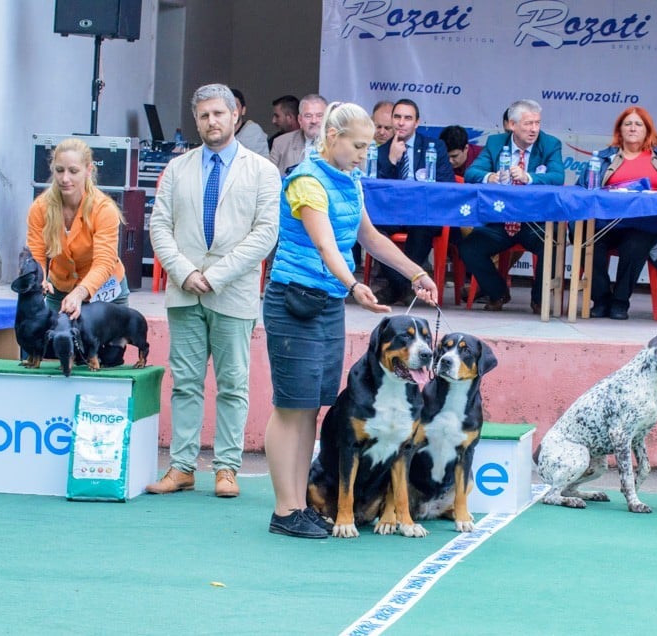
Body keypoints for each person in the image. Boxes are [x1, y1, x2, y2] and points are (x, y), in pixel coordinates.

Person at [262, 101, 438, 538]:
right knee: (290, 407)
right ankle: (286, 510)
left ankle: (301, 504)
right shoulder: (306, 180)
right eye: (358, 145)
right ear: (332, 138)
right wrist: (356, 286)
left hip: (325, 303)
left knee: (311, 407)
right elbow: (325, 246)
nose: (364, 154)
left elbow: (369, 237)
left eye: (368, 146)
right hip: (294, 300)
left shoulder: (351, 179)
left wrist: (415, 271)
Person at [148, 83, 280, 498]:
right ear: (196, 120)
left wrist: (217, 274)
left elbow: (265, 234)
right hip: (185, 290)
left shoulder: (262, 170)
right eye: (204, 115)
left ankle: (226, 468)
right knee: (186, 382)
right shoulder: (178, 168)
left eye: (219, 114)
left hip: (233, 291)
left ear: (236, 116)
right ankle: (182, 466)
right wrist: (186, 272)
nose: (211, 122)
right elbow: (159, 226)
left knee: (233, 383)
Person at [578, 106, 657, 319]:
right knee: (587, 242)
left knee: (635, 245)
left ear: (647, 130)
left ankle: (620, 302)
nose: (633, 128)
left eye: (638, 124)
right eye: (628, 124)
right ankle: (600, 299)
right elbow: (583, 186)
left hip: (645, 225)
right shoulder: (605, 157)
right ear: (620, 130)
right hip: (606, 223)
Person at [460, 99, 564, 313]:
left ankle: (539, 300)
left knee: (552, 244)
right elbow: (472, 173)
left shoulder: (550, 144)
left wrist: (529, 177)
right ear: (512, 125)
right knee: (469, 247)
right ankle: (498, 293)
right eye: (528, 124)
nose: (534, 129)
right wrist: (491, 177)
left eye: (537, 123)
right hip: (501, 220)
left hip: (533, 222)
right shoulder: (496, 143)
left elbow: (557, 177)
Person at [26, 137, 128, 319]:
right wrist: (39, 280)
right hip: (59, 290)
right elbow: (36, 254)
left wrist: (80, 293)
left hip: (106, 292)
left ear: (88, 171)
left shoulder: (104, 209)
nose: (65, 178)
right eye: (59, 170)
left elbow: (104, 262)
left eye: (73, 171)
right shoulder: (40, 208)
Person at [373, 98, 456, 305]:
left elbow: (447, 183)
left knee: (423, 226)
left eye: (407, 118)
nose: (401, 122)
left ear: (417, 123)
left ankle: (396, 288)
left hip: (423, 213)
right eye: (397, 117)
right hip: (392, 213)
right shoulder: (381, 151)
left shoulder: (434, 146)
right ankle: (403, 285)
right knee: (370, 229)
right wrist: (391, 161)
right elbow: (377, 191)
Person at [269, 93, 327, 175]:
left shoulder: (338, 144)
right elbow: (269, 178)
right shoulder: (280, 144)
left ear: (328, 118)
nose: (314, 121)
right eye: (308, 116)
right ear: (299, 120)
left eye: (319, 115)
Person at [230, 88, 270, 158]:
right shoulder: (216, 133)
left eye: (235, 106)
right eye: (227, 106)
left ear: (243, 110)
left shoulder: (253, 131)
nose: (231, 110)